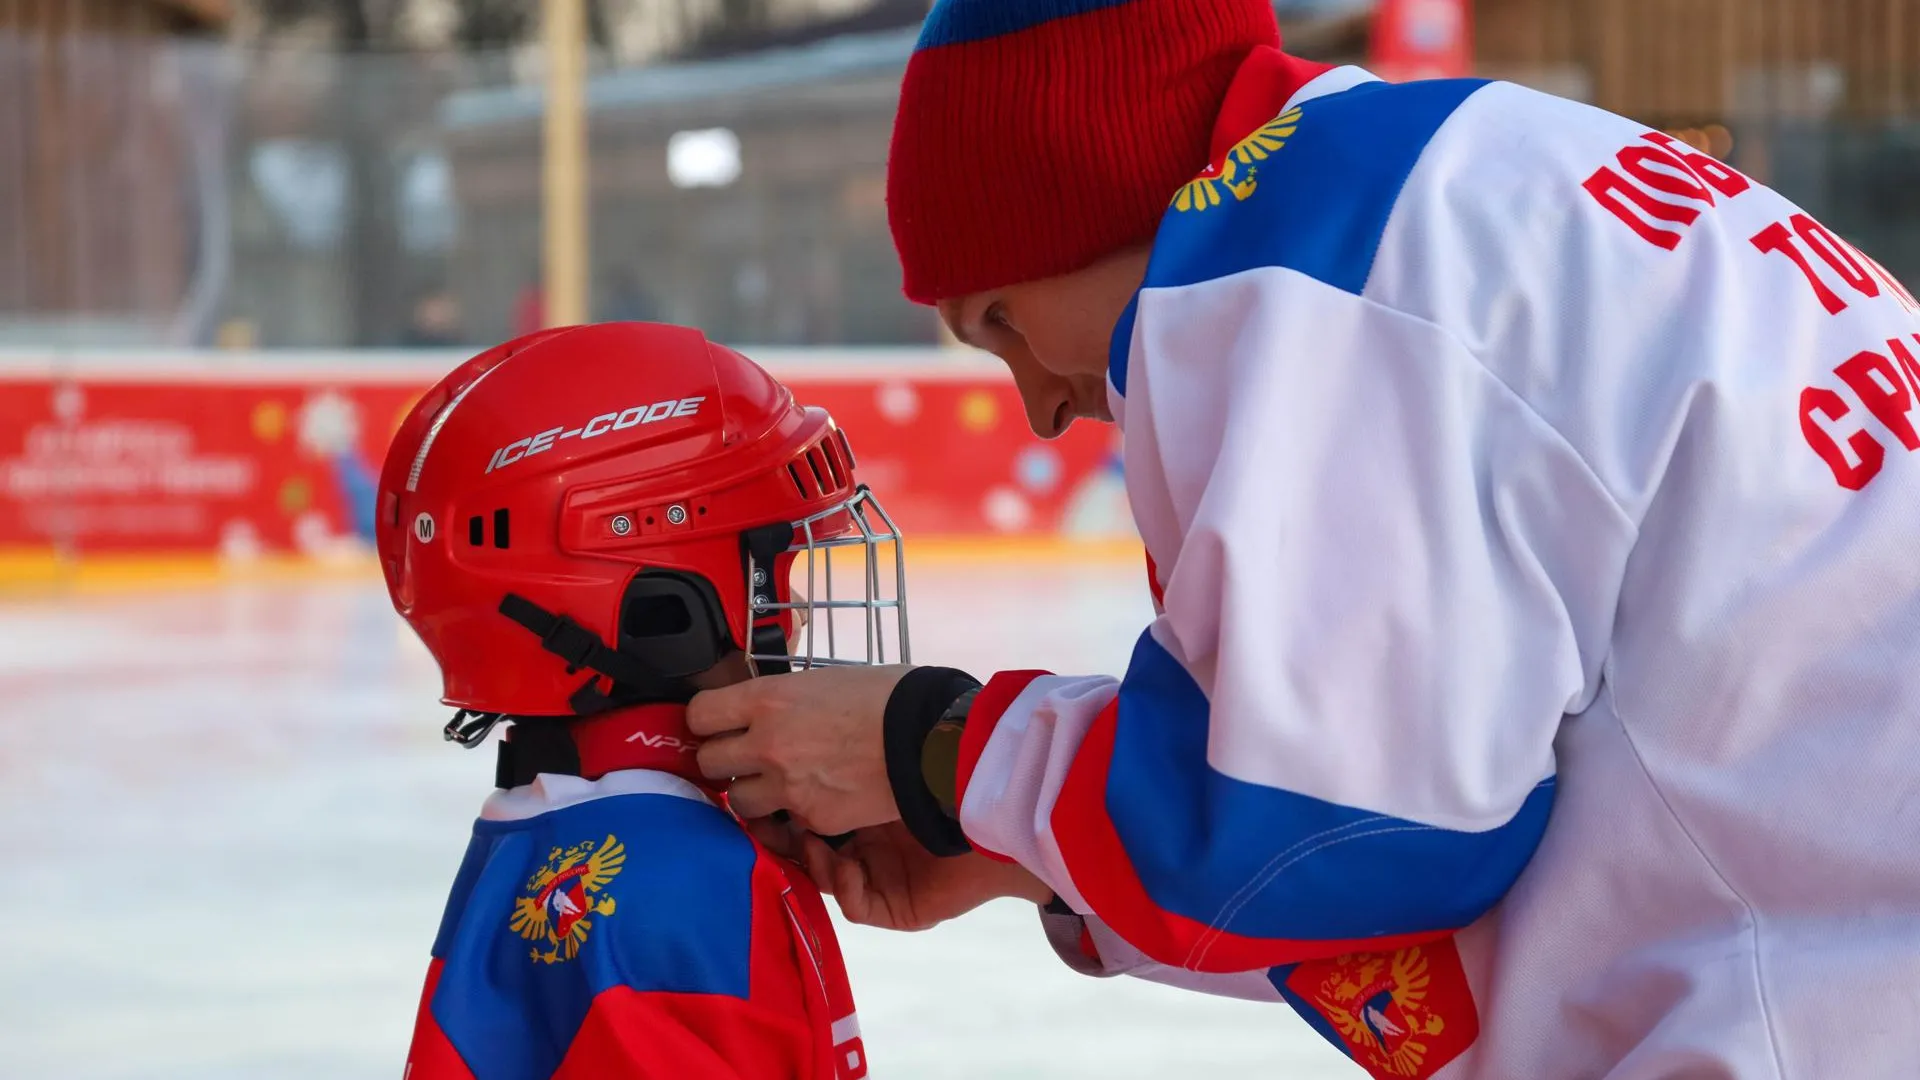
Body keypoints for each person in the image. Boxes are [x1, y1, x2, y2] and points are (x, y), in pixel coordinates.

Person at [683, 2, 1920, 1078]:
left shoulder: (1304, 251)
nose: (1042, 405)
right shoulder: (1481, 176)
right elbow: (1463, 825)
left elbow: (1337, 831)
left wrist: (941, 751)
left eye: (1001, 317)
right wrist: (1034, 853)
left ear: (1101, 195)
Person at [378, 322, 882, 1079]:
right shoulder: (685, 884)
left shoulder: (552, 823)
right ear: (661, 613)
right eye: (770, 575)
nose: (798, 615)